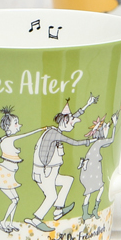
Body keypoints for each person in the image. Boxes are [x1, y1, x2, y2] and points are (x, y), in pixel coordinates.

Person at [25, 94, 98, 232]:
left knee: (67, 180)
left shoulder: (56, 130)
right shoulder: (54, 134)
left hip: (51, 172)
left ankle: (58, 211)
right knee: (51, 195)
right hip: (45, 172)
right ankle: (36, 219)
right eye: (71, 124)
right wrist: (90, 141)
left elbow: (73, 116)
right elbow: (74, 142)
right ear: (64, 121)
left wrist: (87, 104)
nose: (72, 126)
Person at [0, 107, 44, 233]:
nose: (19, 125)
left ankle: (9, 223)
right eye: (15, 123)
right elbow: (25, 135)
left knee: (15, 200)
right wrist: (40, 129)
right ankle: (4, 222)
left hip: (9, 174)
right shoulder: (8, 139)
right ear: (8, 127)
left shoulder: (6, 139)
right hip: (3, 174)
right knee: (14, 200)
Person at [79, 110, 118, 219]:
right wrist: (115, 125)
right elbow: (111, 140)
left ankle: (88, 212)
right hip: (92, 169)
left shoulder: (96, 143)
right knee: (98, 189)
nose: (107, 130)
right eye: (106, 128)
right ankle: (94, 211)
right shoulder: (99, 142)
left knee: (91, 192)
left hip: (90, 169)